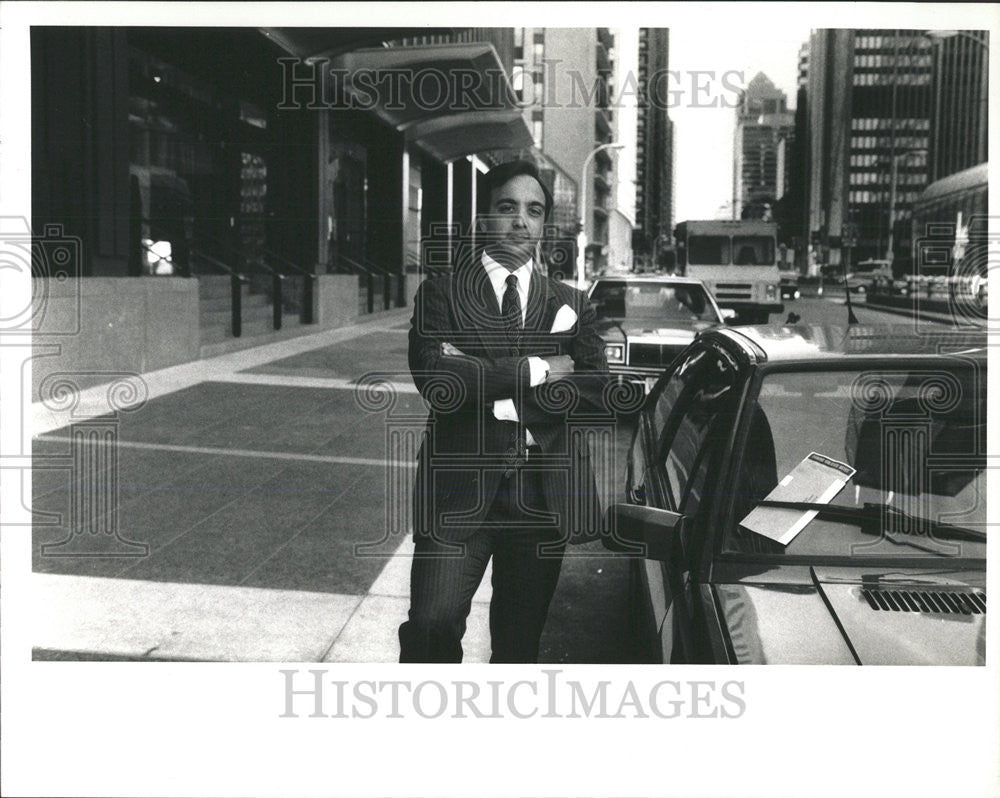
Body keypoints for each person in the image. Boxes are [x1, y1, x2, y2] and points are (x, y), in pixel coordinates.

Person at [400, 159, 611, 663]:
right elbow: (439, 382)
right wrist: (540, 369)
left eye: (534, 211)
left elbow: (598, 390)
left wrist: (483, 376)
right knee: (431, 626)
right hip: (458, 492)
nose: (521, 221)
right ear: (484, 219)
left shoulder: (572, 303)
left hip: (542, 497)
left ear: (543, 224)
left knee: (518, 646)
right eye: (507, 208)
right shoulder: (442, 292)